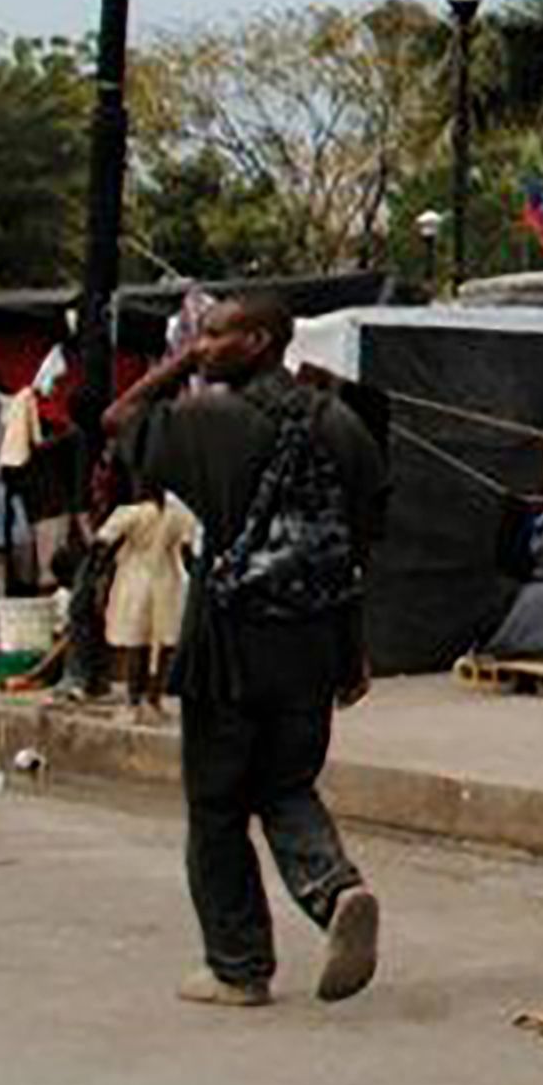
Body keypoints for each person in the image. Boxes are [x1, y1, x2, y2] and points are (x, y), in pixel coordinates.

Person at [109, 292, 389, 1010]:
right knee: (288, 783)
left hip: (231, 644)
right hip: (316, 640)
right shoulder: (343, 424)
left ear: (259, 340)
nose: (204, 343)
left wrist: (176, 363)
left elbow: (120, 422)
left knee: (217, 805)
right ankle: (336, 891)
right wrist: (353, 650)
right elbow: (357, 545)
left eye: (216, 334)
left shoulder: (211, 422)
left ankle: (238, 967)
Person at [92, 489, 199, 720]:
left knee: (136, 641)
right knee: (163, 642)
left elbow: (103, 543)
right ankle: (153, 698)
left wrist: (99, 576)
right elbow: (189, 550)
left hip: (135, 579)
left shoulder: (130, 513)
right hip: (167, 578)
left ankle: (134, 701)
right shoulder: (178, 513)